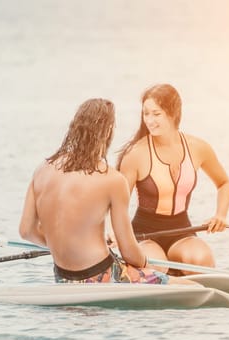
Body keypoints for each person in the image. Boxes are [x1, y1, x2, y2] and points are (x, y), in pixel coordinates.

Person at [19, 98, 195, 285]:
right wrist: (145, 265)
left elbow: (26, 231)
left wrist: (63, 244)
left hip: (64, 277)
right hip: (103, 274)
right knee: (194, 287)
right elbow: (129, 252)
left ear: (75, 126)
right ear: (108, 131)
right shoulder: (112, 179)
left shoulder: (41, 170)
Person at [116, 84, 229, 274]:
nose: (150, 120)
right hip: (144, 234)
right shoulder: (136, 154)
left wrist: (221, 215)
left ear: (173, 112)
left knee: (201, 260)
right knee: (156, 267)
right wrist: (117, 233)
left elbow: (224, 184)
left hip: (181, 231)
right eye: (146, 114)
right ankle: (159, 273)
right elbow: (118, 203)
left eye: (156, 114)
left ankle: (184, 278)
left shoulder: (198, 147)